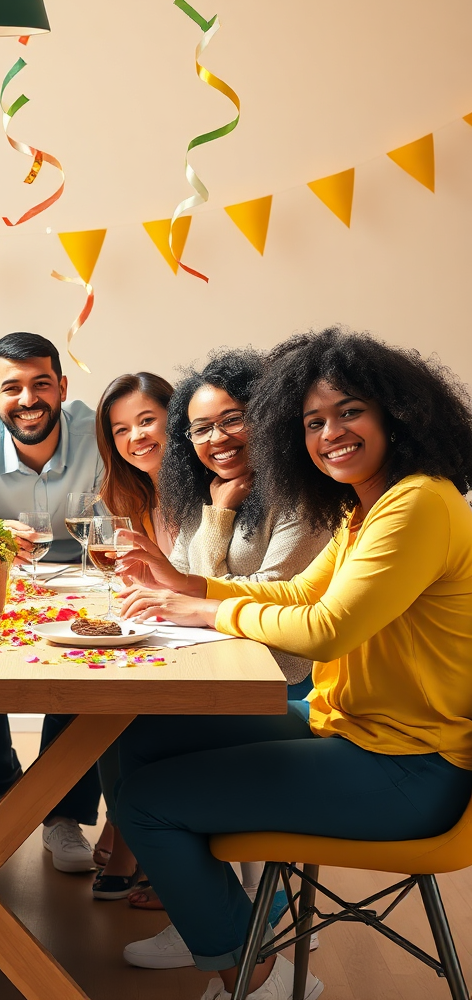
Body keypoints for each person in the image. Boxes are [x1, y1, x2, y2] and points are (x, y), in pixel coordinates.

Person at [115, 327, 472, 1000]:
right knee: (140, 731)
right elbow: (303, 591)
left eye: (349, 411)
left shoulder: (420, 503)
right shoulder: (368, 507)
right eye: (312, 421)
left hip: (408, 768)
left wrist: (202, 612)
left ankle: (255, 977)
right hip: (348, 729)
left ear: (397, 411)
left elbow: (327, 628)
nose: (330, 432)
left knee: (146, 803)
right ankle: (218, 921)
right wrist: (188, 586)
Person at [109, 351, 329, 936]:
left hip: (283, 676)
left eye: (233, 419)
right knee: (129, 728)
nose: (217, 438)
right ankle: (203, 906)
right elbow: (183, 576)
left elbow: (276, 592)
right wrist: (216, 515)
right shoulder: (217, 489)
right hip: (229, 659)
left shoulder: (302, 497)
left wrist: (219, 517)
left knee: (144, 736)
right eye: (202, 428)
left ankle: (229, 914)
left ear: (269, 415)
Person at [0, 331, 105, 873]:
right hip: (5, 574)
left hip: (88, 576)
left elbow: (124, 521)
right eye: (13, 388)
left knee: (85, 668)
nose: (28, 399)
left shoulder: (99, 435)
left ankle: (64, 813)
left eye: (41, 385)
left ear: (62, 388)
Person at [90, 372, 174, 897]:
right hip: (174, 628)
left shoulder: (209, 487)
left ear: (176, 417)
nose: (135, 438)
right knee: (101, 708)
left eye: (147, 421)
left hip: (217, 642)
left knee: (123, 714)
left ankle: (130, 840)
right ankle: (125, 833)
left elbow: (200, 577)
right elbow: (158, 575)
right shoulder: (141, 492)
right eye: (121, 430)